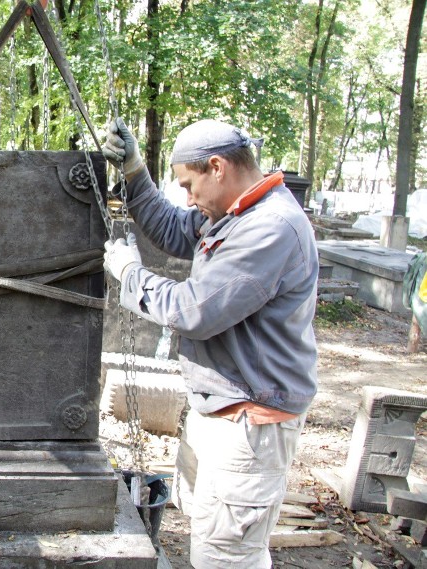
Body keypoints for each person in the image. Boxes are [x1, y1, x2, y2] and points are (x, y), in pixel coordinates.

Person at [101, 118, 318, 568]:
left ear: (217, 167)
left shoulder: (269, 228)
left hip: (249, 423)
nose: (187, 196)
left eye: (188, 183)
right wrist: (135, 171)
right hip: (222, 411)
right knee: (210, 539)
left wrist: (130, 273)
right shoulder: (234, 215)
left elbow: (194, 311)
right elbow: (171, 227)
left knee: (227, 557)